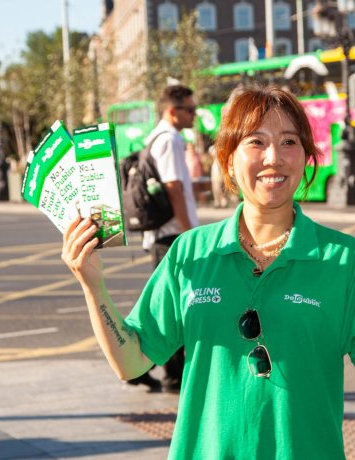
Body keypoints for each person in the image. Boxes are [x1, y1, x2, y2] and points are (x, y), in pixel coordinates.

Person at [62, 85, 355, 459]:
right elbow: (131, 361)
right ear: (229, 158)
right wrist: (93, 286)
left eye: (290, 141)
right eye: (256, 142)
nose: (274, 157)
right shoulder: (190, 253)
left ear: (307, 156)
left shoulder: (343, 258)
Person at [127, 84, 200, 393]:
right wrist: (188, 232)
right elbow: (173, 188)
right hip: (171, 236)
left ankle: (143, 368)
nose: (195, 115)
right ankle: (162, 373)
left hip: (164, 235)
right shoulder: (169, 139)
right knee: (173, 307)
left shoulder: (157, 137)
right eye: (190, 110)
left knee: (172, 304)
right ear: (173, 111)